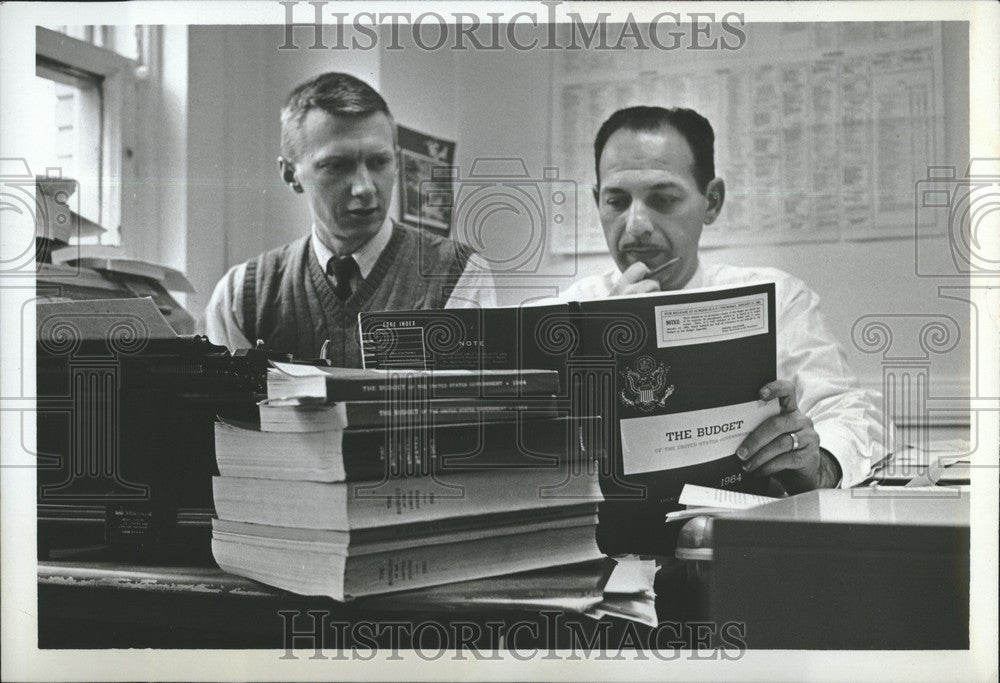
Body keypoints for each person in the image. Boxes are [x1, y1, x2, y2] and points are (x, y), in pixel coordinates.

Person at [563, 106, 892, 491]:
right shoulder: (565, 313)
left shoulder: (778, 300)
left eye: (663, 199)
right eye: (617, 201)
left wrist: (820, 463)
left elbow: (854, 413)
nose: (636, 226)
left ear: (712, 201)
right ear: (597, 201)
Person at [205, 72, 495, 364]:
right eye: (337, 165)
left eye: (379, 162)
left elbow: (464, 406)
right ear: (291, 175)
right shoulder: (241, 296)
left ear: (396, 162)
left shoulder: (457, 273)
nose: (365, 188)